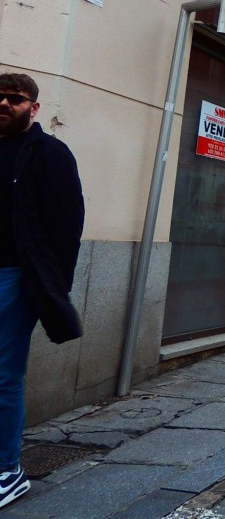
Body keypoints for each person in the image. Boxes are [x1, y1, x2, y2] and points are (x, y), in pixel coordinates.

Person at [0, 72, 84, 508]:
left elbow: (66, 225)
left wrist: (51, 289)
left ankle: (7, 470)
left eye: (14, 99)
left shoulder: (49, 153)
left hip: (14, 276)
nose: (3, 104)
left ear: (33, 108)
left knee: (2, 373)